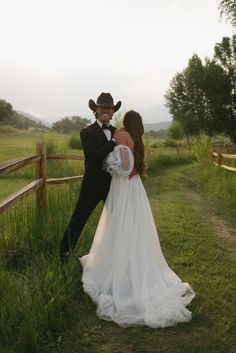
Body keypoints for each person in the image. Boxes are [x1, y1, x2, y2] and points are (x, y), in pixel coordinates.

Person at [80, 110, 195, 328]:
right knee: (134, 225)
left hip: (122, 187)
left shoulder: (121, 134)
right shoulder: (136, 137)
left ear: (125, 121)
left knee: (119, 224)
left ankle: (120, 265)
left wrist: (112, 168)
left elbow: (125, 168)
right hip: (135, 188)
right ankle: (133, 258)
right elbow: (134, 167)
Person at [60, 92, 121, 262]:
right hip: (92, 186)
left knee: (118, 220)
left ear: (112, 111)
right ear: (96, 110)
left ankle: (117, 256)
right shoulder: (86, 132)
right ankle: (63, 254)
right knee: (78, 220)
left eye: (108, 108)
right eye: (102, 107)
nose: (105, 111)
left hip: (113, 185)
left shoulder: (116, 131)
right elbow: (96, 155)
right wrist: (114, 142)